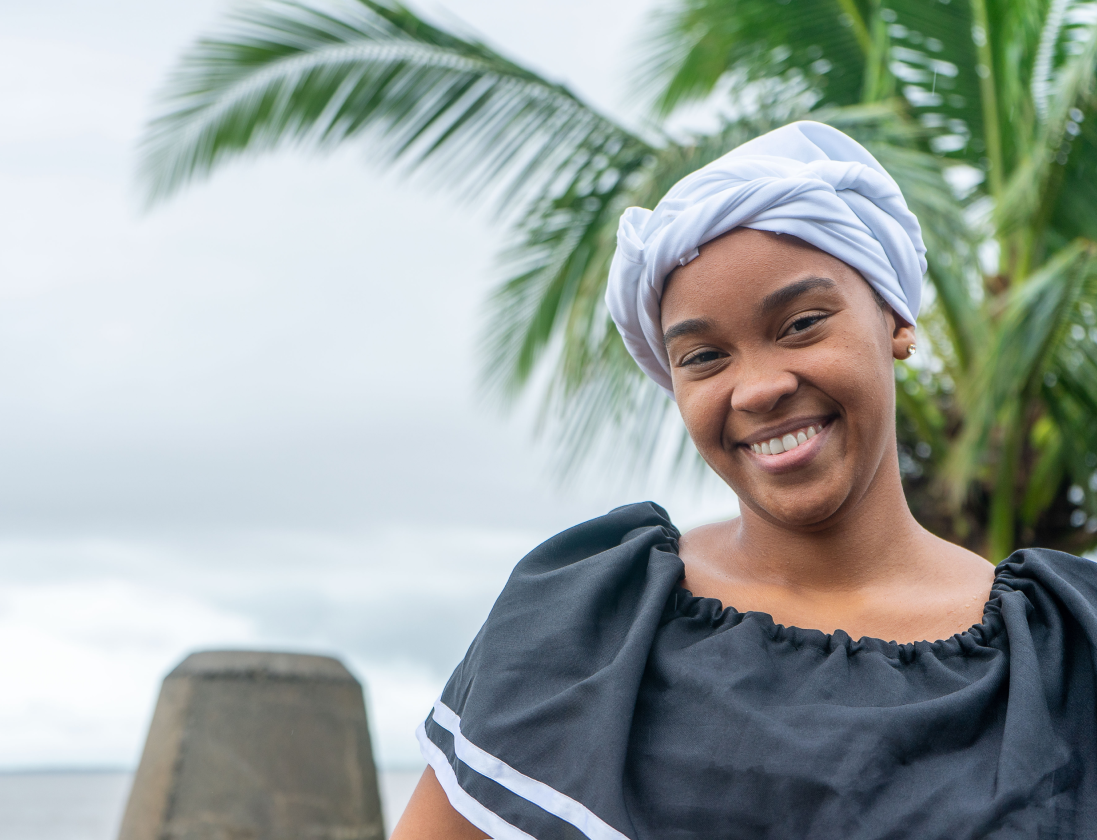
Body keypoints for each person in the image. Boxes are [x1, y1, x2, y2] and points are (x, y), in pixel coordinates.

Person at [391, 121, 1097, 839]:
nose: (757, 389)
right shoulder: (587, 622)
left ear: (894, 318)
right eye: (702, 357)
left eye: (800, 325)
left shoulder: (1063, 651)